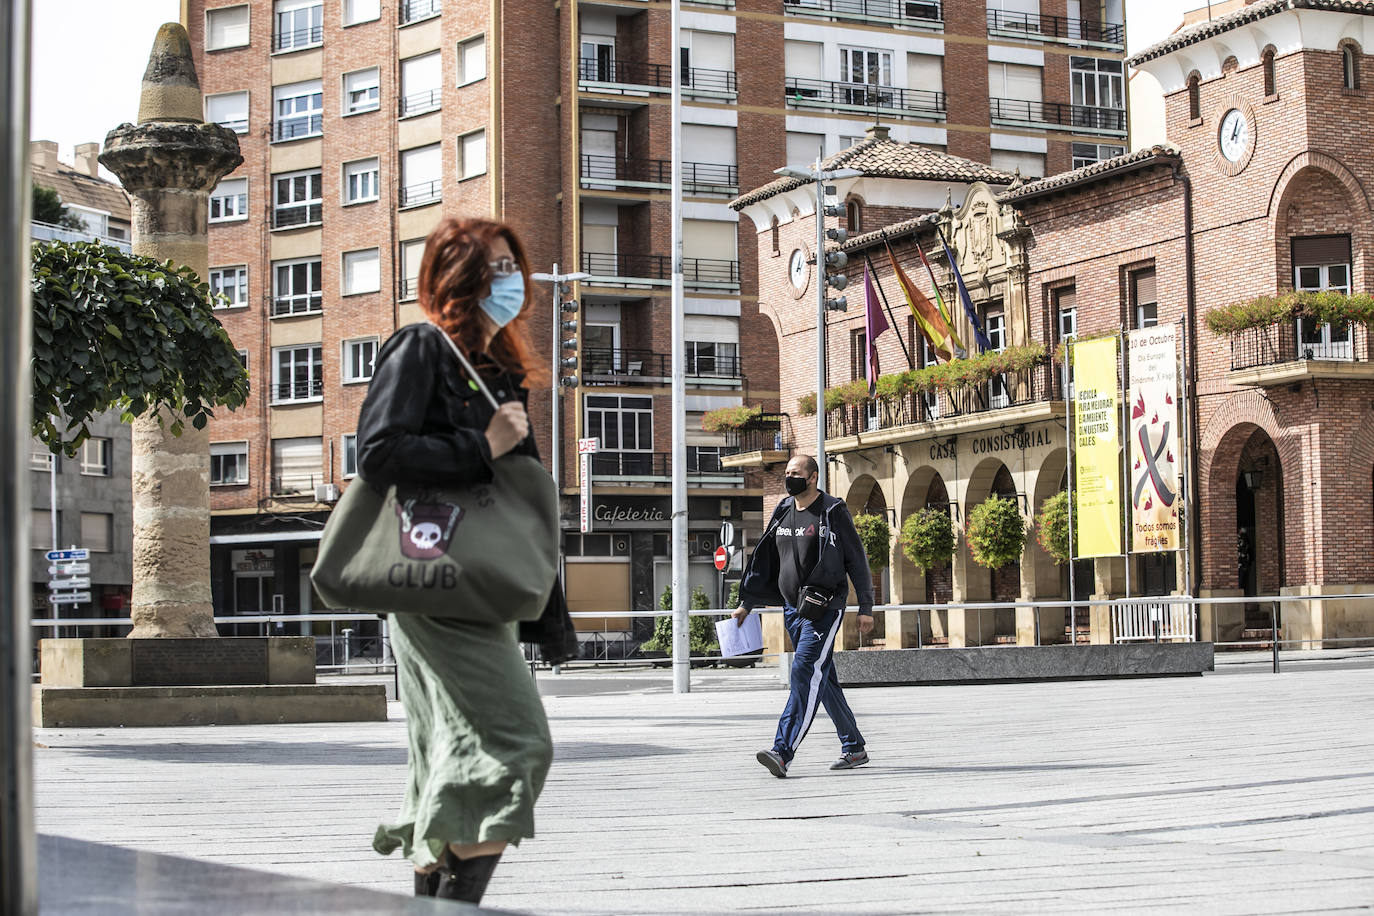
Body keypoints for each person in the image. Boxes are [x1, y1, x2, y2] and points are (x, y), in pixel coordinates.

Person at [356, 216, 577, 903]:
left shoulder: (503, 369)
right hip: (433, 582)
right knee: (519, 741)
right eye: (496, 268)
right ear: (457, 278)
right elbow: (378, 453)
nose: (512, 282)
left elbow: (518, 499)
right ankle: (458, 902)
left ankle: (434, 898)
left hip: (483, 581)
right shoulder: (419, 349)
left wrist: (544, 600)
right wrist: (482, 445)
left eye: (515, 267)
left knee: (440, 755)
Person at [732, 454, 875, 777]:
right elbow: (765, 559)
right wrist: (747, 603)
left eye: (795, 473)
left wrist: (865, 607)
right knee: (822, 679)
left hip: (823, 608)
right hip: (791, 608)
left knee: (803, 671)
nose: (788, 478)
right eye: (786, 473)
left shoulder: (832, 511)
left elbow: (857, 560)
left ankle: (782, 751)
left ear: (813, 478)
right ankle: (854, 747)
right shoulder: (783, 510)